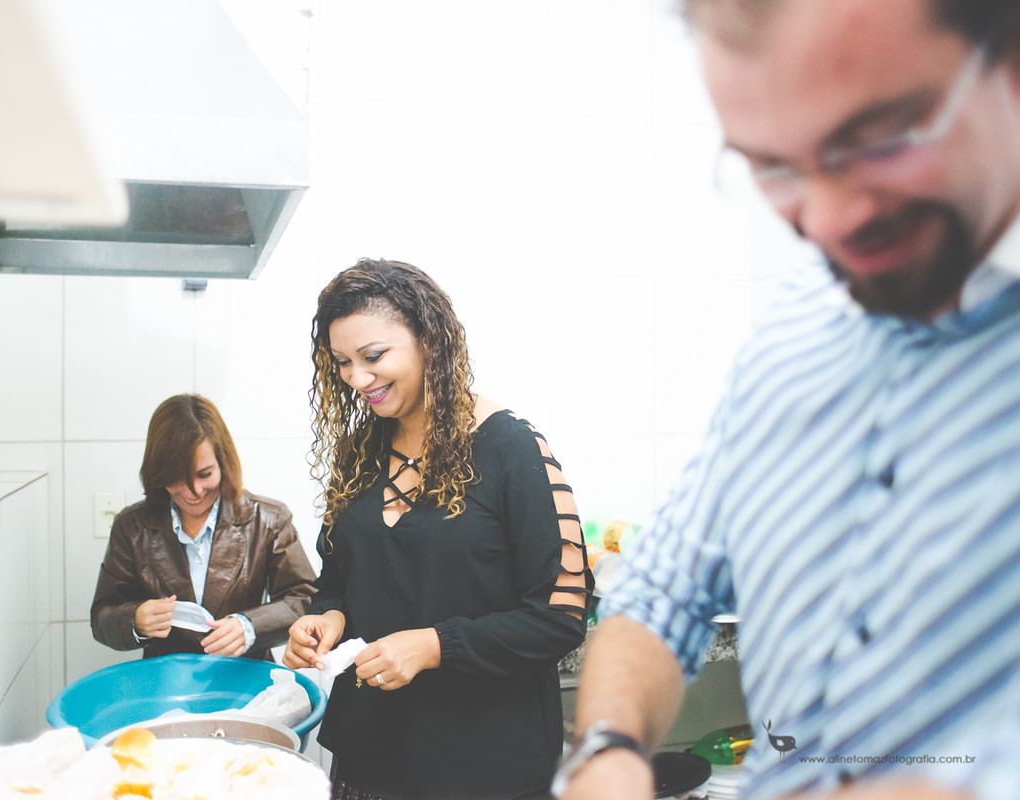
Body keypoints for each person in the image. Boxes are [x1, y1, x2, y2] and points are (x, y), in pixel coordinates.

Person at [559, 1, 1020, 799]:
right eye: (773, 167)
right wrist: (608, 750)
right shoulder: (796, 322)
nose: (830, 221)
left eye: (879, 142)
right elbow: (663, 589)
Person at [281, 259, 592, 800]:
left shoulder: (512, 447)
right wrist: (326, 618)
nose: (357, 379)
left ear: (429, 340)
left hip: (484, 764)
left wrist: (434, 646)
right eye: (343, 363)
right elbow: (340, 581)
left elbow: (561, 617)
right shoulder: (360, 452)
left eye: (373, 357)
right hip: (372, 753)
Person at [91, 394, 316, 660]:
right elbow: (102, 616)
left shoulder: (268, 519)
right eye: (176, 478)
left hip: (245, 677)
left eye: (204, 474)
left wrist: (250, 626)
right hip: (166, 679)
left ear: (224, 463)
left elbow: (305, 600)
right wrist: (135, 619)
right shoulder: (131, 526)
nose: (194, 491)